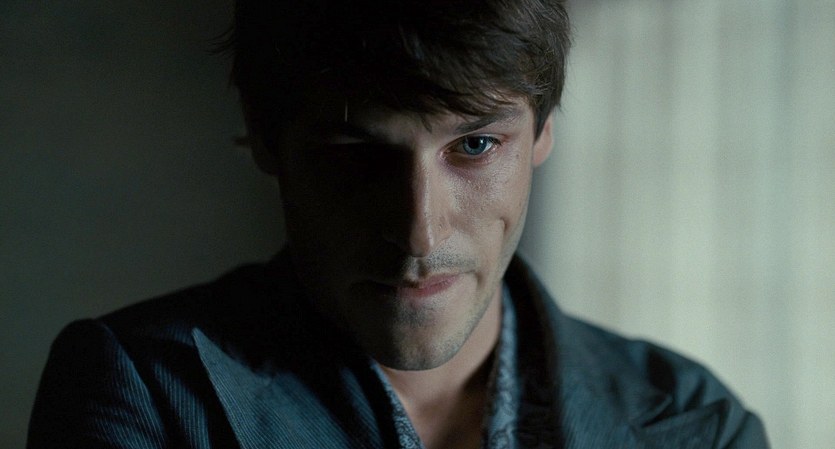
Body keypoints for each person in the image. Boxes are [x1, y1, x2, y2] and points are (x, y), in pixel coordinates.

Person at [27, 0, 769, 448]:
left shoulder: (695, 420)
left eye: (474, 146)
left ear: (543, 130)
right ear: (266, 139)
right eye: (356, 154)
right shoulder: (144, 391)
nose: (419, 233)